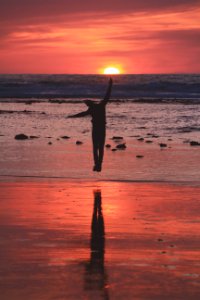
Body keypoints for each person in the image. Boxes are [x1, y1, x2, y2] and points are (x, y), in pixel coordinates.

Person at [68, 78, 113, 172]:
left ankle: (97, 164)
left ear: (89, 104)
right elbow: (107, 96)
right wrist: (110, 85)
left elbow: (82, 114)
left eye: (87, 104)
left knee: (96, 147)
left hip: (97, 129)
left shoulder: (95, 107)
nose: (87, 106)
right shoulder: (100, 106)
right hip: (101, 128)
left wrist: (72, 116)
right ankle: (99, 164)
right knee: (100, 147)